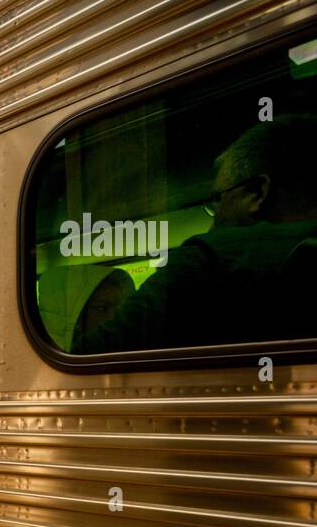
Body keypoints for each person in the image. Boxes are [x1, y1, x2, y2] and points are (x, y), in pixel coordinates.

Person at [72, 113, 317, 354]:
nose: (215, 216)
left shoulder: (206, 260)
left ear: (256, 193)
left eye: (219, 200)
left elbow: (90, 355)